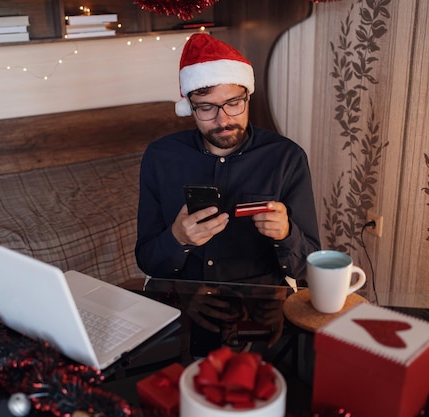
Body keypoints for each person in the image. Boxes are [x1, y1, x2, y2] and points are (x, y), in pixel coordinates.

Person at [135, 33, 320, 350]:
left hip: (265, 309)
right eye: (206, 107)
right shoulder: (160, 157)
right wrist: (177, 238)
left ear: (247, 97)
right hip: (184, 307)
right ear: (189, 107)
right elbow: (148, 261)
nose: (223, 120)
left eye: (233, 103)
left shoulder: (287, 158)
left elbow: (307, 265)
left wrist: (286, 232)